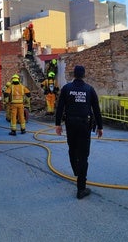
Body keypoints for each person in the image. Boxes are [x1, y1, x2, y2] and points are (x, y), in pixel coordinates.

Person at [55, 65, 103, 199]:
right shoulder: (89, 89)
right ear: (84, 75)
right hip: (84, 125)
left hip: (70, 124)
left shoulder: (66, 88)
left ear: (73, 74)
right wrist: (100, 126)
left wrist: (58, 124)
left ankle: (76, 169)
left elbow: (60, 107)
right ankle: (81, 189)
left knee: (72, 147)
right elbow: (96, 109)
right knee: (83, 155)